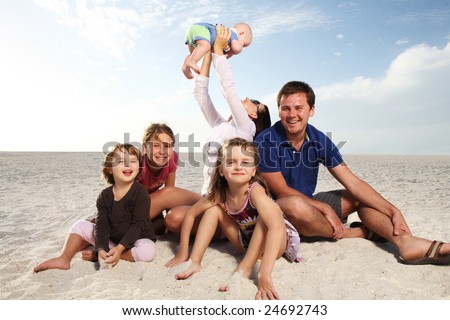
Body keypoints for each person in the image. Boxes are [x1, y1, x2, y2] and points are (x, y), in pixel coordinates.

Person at [255, 80, 450, 265]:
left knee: (357, 197)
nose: (292, 115)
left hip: (309, 205)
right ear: (279, 110)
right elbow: (281, 191)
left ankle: (406, 243)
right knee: (294, 205)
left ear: (311, 110)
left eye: (299, 108)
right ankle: (354, 233)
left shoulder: (318, 139)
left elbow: (353, 183)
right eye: (285, 108)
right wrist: (325, 208)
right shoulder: (266, 141)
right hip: (278, 211)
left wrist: (393, 211)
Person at [165, 25, 270, 235]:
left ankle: (223, 230)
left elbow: (229, 90)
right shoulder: (222, 125)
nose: (247, 99)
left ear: (255, 116)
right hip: (208, 196)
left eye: (254, 103)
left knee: (174, 218)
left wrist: (220, 53)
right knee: (167, 197)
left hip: (225, 203)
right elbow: (201, 95)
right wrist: (210, 53)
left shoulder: (246, 129)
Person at [171, 138, 300, 300]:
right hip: (245, 243)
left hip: (275, 244)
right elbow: (191, 214)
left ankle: (245, 269)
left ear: (253, 171)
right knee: (214, 210)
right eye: (231, 162)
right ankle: (195, 261)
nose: (238, 166)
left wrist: (264, 275)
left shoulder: (255, 191)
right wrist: (183, 251)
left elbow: (276, 227)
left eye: (245, 162)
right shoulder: (221, 193)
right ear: (221, 170)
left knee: (269, 214)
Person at [34, 143, 157, 272]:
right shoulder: (104, 196)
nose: (128, 165)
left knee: (148, 251)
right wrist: (101, 248)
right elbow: (102, 225)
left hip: (138, 239)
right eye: (121, 161)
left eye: (133, 161)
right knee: (79, 225)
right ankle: (64, 258)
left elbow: (137, 225)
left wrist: (120, 249)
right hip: (113, 241)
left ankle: (113, 256)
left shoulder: (141, 194)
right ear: (110, 168)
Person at [139, 123, 202, 234]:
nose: (162, 151)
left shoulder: (172, 158)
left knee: (161, 227)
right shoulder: (139, 166)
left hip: (154, 200)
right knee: (155, 227)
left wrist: (171, 215)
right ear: (145, 147)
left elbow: (170, 191)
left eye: (167, 146)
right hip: (135, 204)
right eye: (156, 145)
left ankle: (209, 205)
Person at [182, 22, 252, 79]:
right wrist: (236, 51)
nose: (241, 45)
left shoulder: (225, 34)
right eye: (243, 44)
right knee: (205, 46)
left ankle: (185, 66)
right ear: (241, 33)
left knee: (193, 53)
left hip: (192, 30)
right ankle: (192, 61)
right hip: (200, 29)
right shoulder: (232, 34)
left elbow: (221, 54)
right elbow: (237, 48)